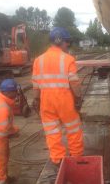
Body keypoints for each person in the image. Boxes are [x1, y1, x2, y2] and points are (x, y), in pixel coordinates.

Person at [32, 27, 84, 167]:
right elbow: (74, 82)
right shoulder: (68, 59)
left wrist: (36, 99)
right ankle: (76, 157)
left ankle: (58, 160)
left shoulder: (38, 60)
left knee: (52, 132)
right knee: (73, 130)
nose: (68, 45)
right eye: (67, 42)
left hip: (46, 102)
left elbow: (35, 84)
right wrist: (78, 98)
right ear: (60, 41)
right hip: (65, 101)